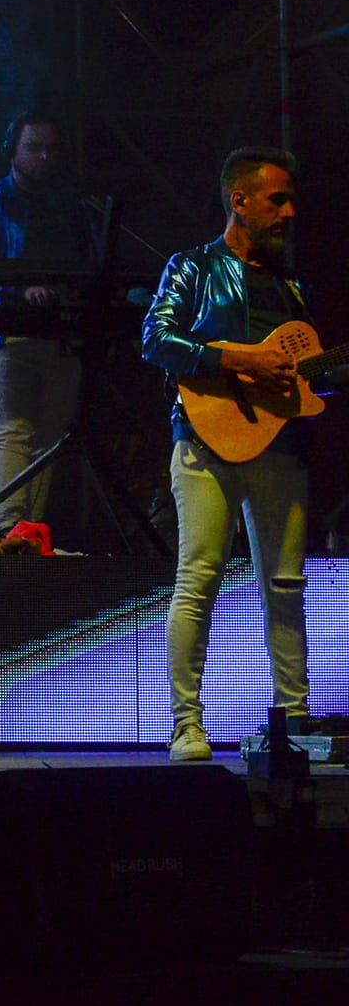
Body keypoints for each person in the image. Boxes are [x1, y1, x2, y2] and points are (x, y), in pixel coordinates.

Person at [143, 146, 346, 762]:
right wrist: (241, 359)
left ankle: (294, 716)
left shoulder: (293, 285)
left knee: (286, 585)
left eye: (290, 201)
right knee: (198, 578)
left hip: (281, 448)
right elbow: (156, 338)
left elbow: (310, 378)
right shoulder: (193, 266)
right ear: (240, 200)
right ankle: (186, 724)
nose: (289, 212)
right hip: (205, 442)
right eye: (276, 200)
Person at [0, 112, 101, 534]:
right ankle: (10, 528)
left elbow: (91, 263)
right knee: (12, 432)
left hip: (60, 334)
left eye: (51, 149)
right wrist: (22, 291)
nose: (43, 157)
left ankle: (29, 530)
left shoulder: (73, 207)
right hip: (7, 333)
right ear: (11, 150)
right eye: (33, 148)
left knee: (49, 439)